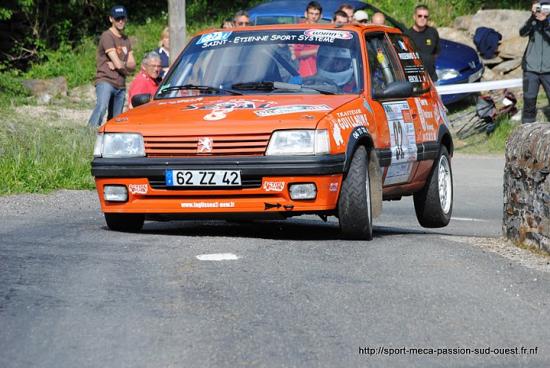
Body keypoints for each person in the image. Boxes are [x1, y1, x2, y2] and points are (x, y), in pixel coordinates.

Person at [88, 5, 136, 127]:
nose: (120, 21)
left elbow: (132, 65)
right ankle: (89, 132)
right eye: (117, 18)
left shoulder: (126, 39)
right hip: (106, 80)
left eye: (123, 18)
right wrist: (123, 66)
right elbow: (118, 63)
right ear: (111, 19)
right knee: (101, 107)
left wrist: (122, 65)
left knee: (116, 119)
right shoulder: (107, 36)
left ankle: (110, 140)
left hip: (120, 84)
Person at [519, 0, 550, 124]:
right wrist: (533, 17)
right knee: (529, 104)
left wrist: (546, 22)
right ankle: (526, 134)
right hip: (531, 69)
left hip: (549, 70)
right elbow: (522, 32)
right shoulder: (533, 21)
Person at [405, 5, 440, 82]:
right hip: (414, 79)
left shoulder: (433, 32)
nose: (422, 18)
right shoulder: (407, 35)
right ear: (414, 17)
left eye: (425, 16)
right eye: (420, 16)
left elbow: (436, 53)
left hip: (432, 78)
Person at [290, 1, 322, 77]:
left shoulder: (322, 30)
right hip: (302, 74)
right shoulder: (299, 30)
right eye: (311, 13)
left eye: (316, 14)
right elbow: (296, 54)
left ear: (320, 16)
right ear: (306, 14)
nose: (314, 17)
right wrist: (317, 51)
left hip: (318, 73)